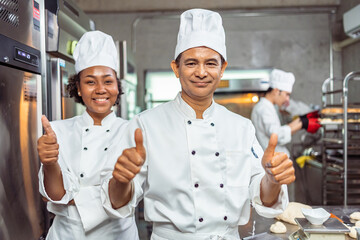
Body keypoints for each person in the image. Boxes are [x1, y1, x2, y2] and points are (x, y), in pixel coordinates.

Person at [102, 9, 295, 240]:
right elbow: (117, 203)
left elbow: (262, 195)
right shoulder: (145, 125)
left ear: (222, 69)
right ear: (176, 68)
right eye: (191, 63)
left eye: (211, 63)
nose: (201, 72)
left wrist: (272, 181)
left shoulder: (241, 128)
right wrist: (121, 180)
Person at [37, 31, 139, 240]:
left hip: (117, 235)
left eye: (108, 81)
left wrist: (71, 197)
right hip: (66, 235)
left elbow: (121, 200)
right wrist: (49, 164)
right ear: (79, 89)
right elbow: (55, 196)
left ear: (117, 88)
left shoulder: (133, 132)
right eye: (90, 82)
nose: (100, 89)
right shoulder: (56, 131)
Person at [251, 69, 321, 157]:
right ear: (276, 91)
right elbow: (277, 135)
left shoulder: (268, 107)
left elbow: (278, 129)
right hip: (273, 164)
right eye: (287, 94)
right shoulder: (264, 108)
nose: (287, 99)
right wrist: (302, 123)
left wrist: (301, 120)